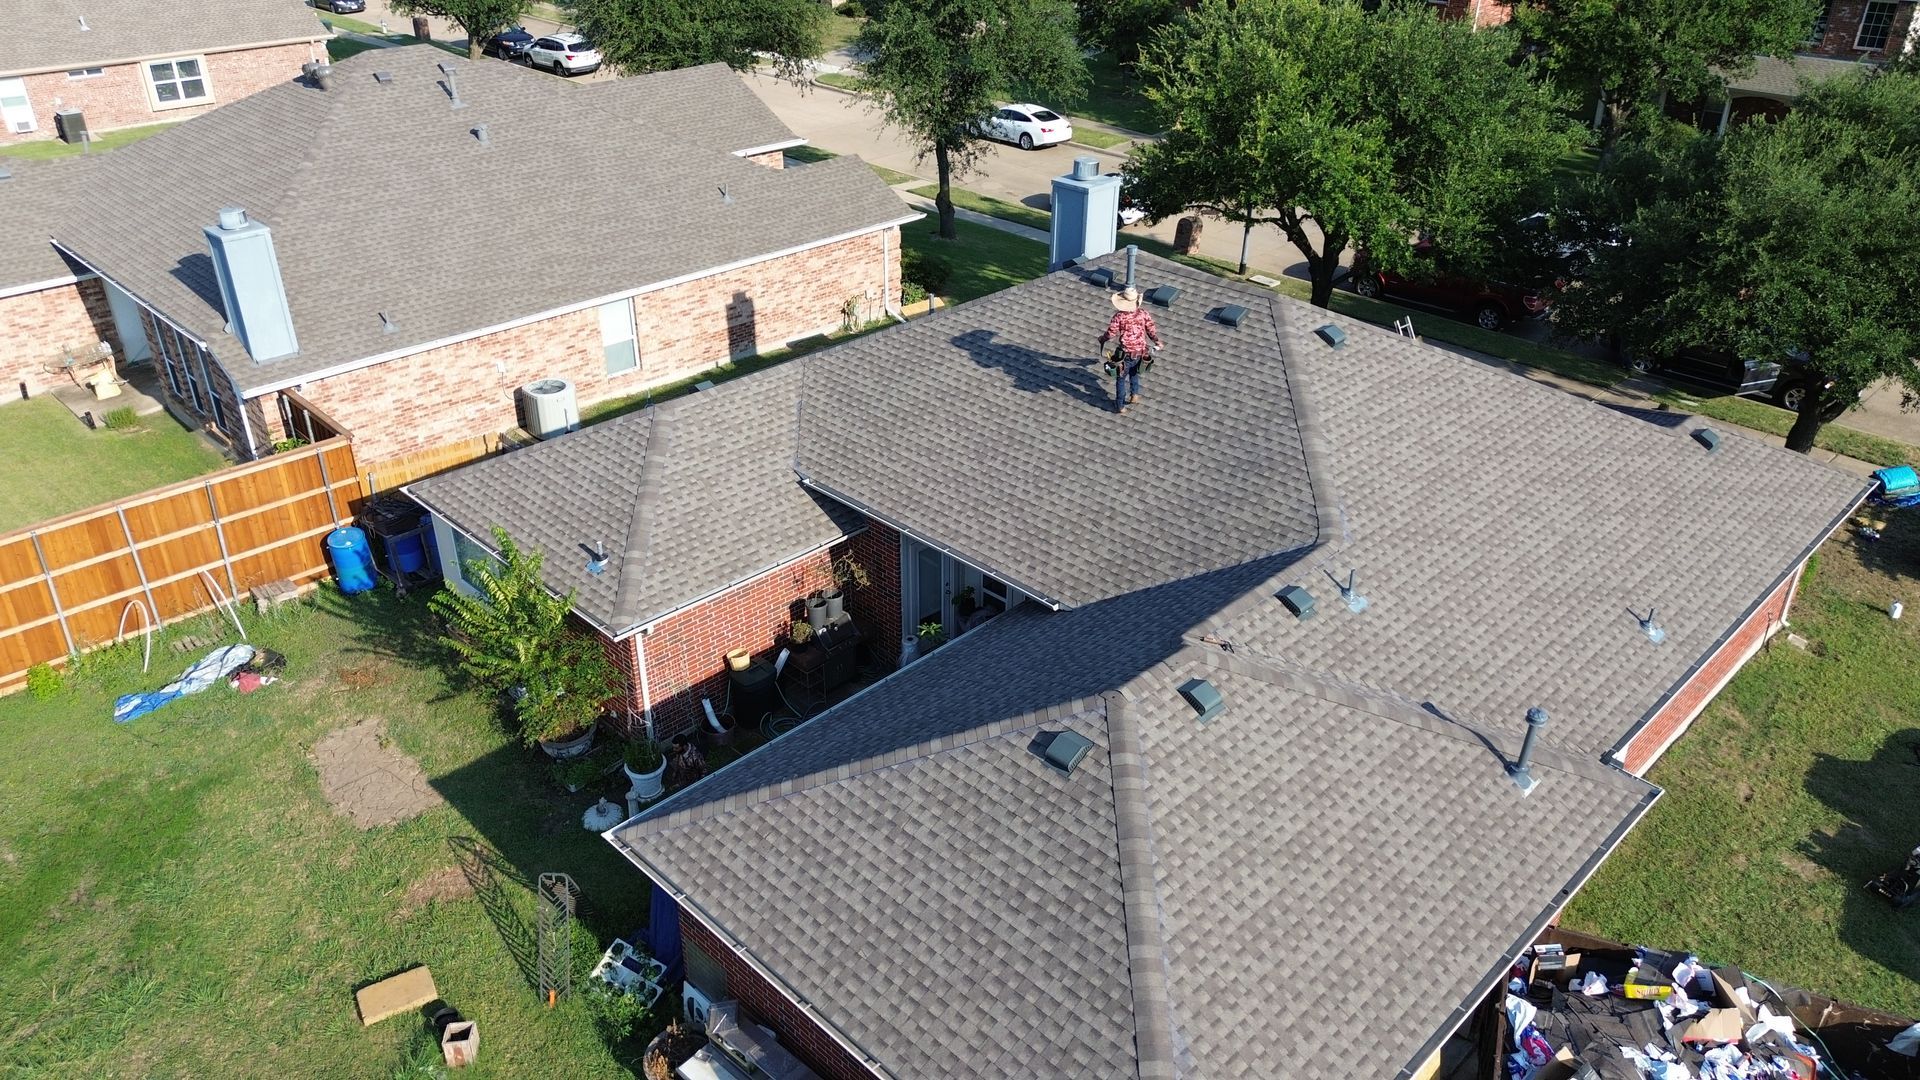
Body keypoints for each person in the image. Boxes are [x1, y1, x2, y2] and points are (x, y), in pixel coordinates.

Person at [1098, 286, 1162, 415]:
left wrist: (1102, 339)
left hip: (1126, 354)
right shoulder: (1143, 313)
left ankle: (1120, 405)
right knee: (1134, 372)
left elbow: (1111, 333)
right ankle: (1134, 395)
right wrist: (1156, 341)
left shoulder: (1119, 317)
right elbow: (1150, 329)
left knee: (1120, 378)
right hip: (1141, 352)